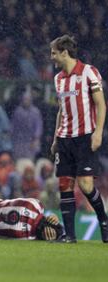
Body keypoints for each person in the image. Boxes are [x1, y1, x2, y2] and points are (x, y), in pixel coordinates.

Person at [50, 35, 108, 243]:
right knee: (65, 185)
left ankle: (103, 219)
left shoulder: (89, 72)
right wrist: (56, 138)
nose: (52, 57)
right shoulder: (58, 79)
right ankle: (70, 236)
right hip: (65, 138)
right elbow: (61, 110)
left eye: (54, 53)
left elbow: (101, 104)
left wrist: (98, 132)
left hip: (85, 137)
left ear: (65, 52)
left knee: (85, 186)